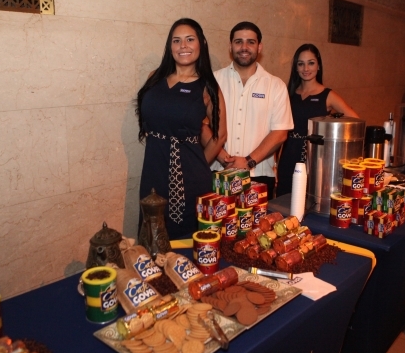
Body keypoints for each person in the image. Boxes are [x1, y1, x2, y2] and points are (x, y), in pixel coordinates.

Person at [136, 18, 227, 239]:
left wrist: (197, 165)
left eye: (189, 39)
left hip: (189, 177)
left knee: (185, 240)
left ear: (201, 44)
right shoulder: (154, 78)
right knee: (152, 235)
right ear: (170, 46)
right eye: (176, 40)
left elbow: (220, 134)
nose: (183, 45)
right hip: (153, 170)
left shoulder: (207, 87)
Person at [208, 22, 293, 200]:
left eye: (250, 42)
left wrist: (248, 161)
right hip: (218, 173)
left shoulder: (275, 85)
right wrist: (222, 157)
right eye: (238, 41)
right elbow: (201, 124)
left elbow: (280, 132)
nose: (244, 47)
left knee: (259, 220)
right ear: (230, 46)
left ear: (259, 47)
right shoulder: (213, 80)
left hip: (259, 176)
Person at [276, 44, 358, 196]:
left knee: (311, 199)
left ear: (318, 66)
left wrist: (332, 139)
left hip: (315, 157)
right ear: (296, 67)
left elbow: (355, 121)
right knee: (284, 198)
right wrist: (275, 163)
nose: (306, 68)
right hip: (288, 155)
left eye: (311, 63)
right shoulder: (289, 93)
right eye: (301, 64)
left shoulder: (328, 95)